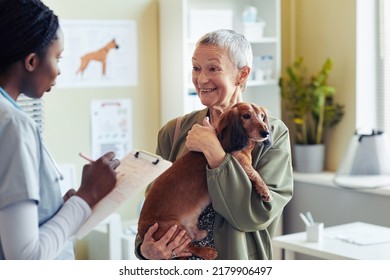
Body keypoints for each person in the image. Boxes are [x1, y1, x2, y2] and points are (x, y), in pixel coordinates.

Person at [135, 29, 293, 260]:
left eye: (213, 68)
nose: (201, 79)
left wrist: (215, 153)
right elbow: (154, 207)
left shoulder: (272, 136)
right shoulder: (174, 131)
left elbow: (255, 215)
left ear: (242, 75)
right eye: (196, 68)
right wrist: (144, 249)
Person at [0, 0, 120, 259]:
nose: (59, 71)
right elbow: (25, 260)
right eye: (57, 57)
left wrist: (60, 209)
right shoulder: (14, 126)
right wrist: (88, 196)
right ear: (31, 61)